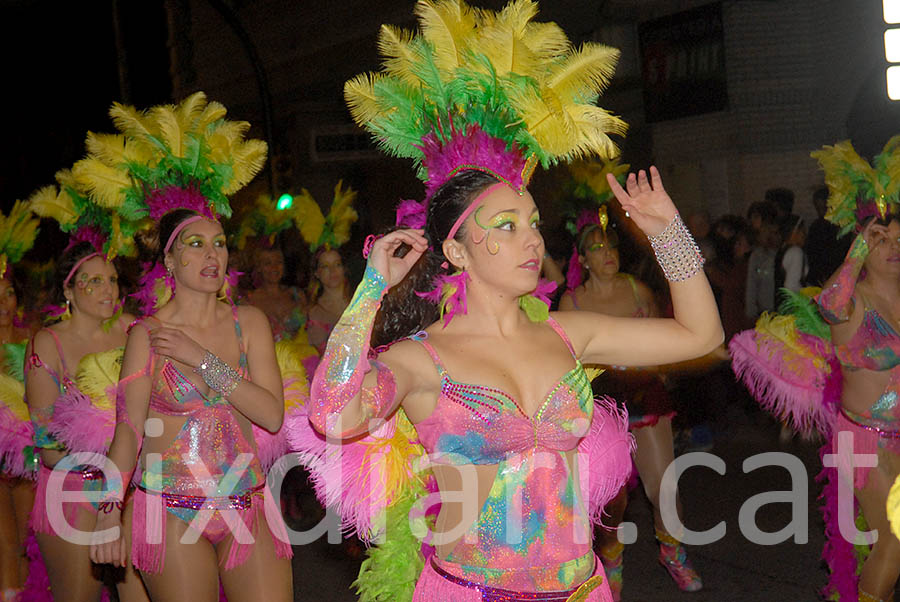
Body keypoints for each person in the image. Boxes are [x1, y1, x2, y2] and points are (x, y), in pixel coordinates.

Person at [79, 93, 293, 601]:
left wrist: (203, 362)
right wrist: (109, 509)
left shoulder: (250, 323)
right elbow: (129, 430)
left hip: (247, 503)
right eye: (195, 244)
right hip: (168, 508)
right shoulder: (145, 336)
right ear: (169, 262)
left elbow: (271, 414)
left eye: (218, 242)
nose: (212, 254)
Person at [560, 216, 703, 599]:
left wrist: (659, 365)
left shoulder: (638, 291)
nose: (608, 254)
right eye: (598, 248)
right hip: (601, 407)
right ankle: (612, 565)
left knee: (664, 487)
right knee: (611, 501)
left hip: (644, 399)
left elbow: (665, 340)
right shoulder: (572, 303)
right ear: (584, 260)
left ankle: (673, 554)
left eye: (612, 246)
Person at [25, 242, 143, 602]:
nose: (108, 289)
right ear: (68, 290)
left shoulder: (131, 331)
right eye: (93, 281)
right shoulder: (48, 343)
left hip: (130, 490)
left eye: (111, 279)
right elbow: (48, 448)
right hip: (72, 491)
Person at [0, 202, 39, 602]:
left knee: (29, 539)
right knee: (3, 543)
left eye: (9, 292)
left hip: (27, 457)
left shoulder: (34, 339)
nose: (4, 303)